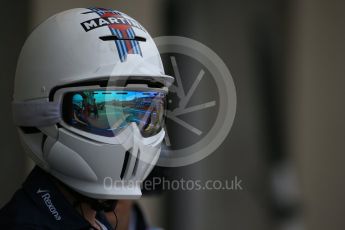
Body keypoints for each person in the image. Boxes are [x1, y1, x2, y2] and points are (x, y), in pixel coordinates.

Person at [0, 7, 173, 230]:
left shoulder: (92, 221)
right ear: (44, 108)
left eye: (144, 108)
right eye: (103, 109)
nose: (131, 134)